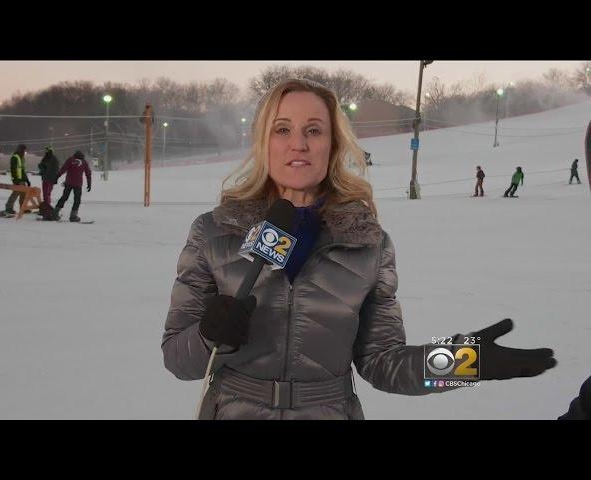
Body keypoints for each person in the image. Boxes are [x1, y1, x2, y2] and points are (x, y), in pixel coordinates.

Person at [161, 79, 556, 420]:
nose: (298, 143)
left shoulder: (369, 244)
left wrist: (464, 362)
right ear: (263, 140)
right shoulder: (213, 233)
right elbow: (177, 358)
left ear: (333, 144)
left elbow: (383, 363)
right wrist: (208, 335)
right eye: (282, 129)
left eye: (314, 130)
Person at [54, 150, 92, 222]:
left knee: (64, 197)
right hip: (78, 184)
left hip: (68, 183)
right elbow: (88, 173)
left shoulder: (70, 160)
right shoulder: (84, 162)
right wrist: (89, 184)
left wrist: (56, 177)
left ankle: (55, 213)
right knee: (77, 200)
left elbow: (63, 170)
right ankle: (73, 216)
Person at [5, 144, 31, 215]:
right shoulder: (15, 157)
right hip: (17, 179)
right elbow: (13, 169)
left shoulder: (21, 158)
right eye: (23, 150)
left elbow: (22, 170)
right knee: (16, 193)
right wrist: (15, 180)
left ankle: (23, 208)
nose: (24, 151)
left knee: (23, 194)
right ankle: (8, 207)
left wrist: (26, 180)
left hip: (21, 179)